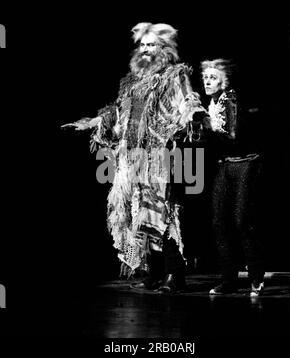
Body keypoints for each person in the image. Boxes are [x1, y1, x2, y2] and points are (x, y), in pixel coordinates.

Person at [62, 23, 207, 293]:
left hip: (158, 152)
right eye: (142, 45)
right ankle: (148, 271)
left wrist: (194, 114)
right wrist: (90, 122)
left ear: (164, 48)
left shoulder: (175, 75)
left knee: (163, 212)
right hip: (130, 156)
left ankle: (175, 275)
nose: (146, 49)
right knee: (133, 213)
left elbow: (188, 101)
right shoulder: (130, 82)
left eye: (151, 44)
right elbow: (116, 114)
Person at [199, 59, 265, 297]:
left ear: (224, 81)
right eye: (205, 77)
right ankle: (228, 279)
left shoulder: (230, 99)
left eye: (213, 77)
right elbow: (211, 140)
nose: (207, 81)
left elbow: (232, 135)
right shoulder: (211, 102)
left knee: (241, 221)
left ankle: (256, 277)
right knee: (219, 222)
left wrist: (205, 125)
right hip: (226, 165)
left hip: (246, 163)